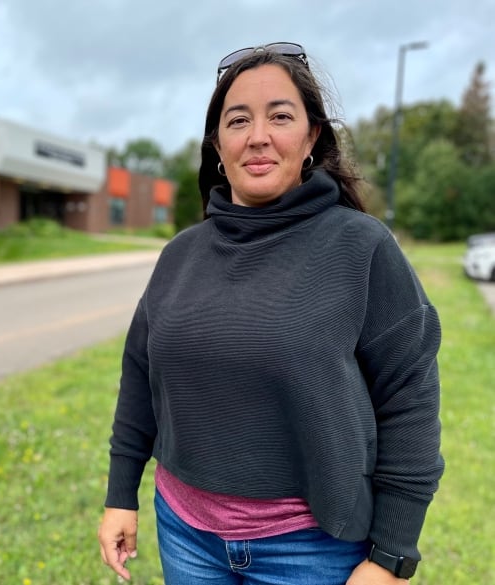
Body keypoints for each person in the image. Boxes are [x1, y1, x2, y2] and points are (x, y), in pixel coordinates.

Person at [97, 43, 443, 585]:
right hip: (186, 537)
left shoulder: (362, 248)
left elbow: (410, 400)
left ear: (311, 138)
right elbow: (140, 378)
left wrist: (392, 556)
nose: (258, 135)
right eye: (238, 120)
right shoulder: (178, 256)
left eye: (280, 116)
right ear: (218, 145)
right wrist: (122, 494)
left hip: (312, 552)